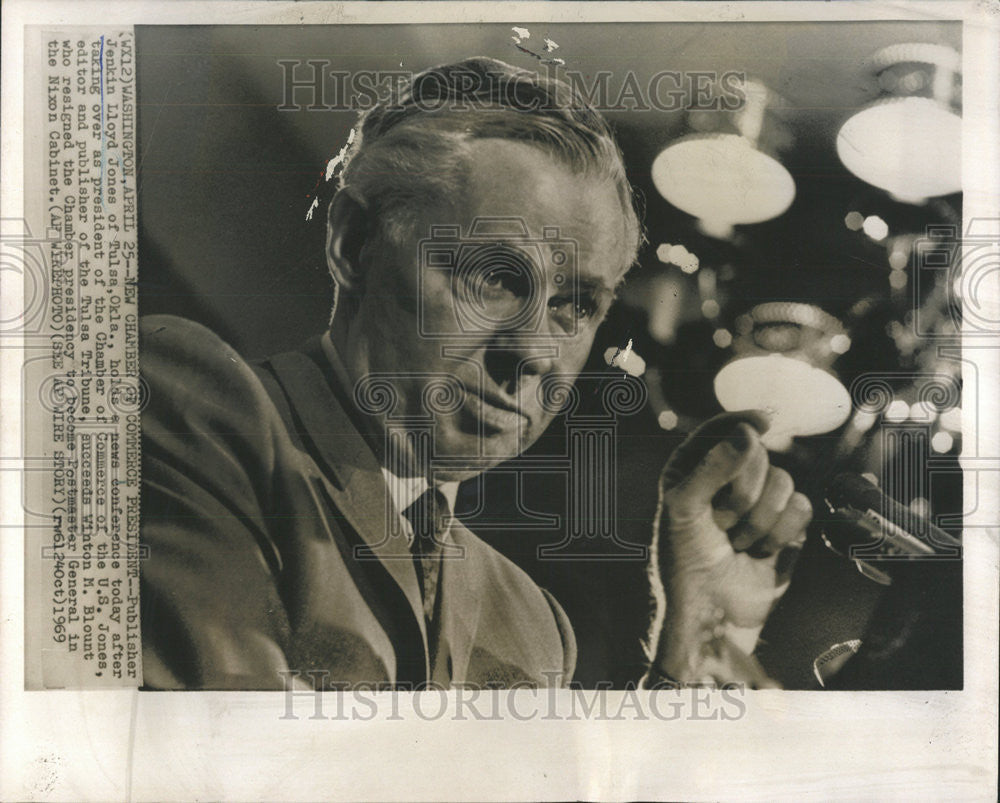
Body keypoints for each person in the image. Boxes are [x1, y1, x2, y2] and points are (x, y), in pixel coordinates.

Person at [139, 57, 812, 690]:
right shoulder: (190, 403)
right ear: (353, 244)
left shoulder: (534, 625)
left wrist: (695, 641)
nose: (537, 354)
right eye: (494, 277)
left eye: (577, 306)